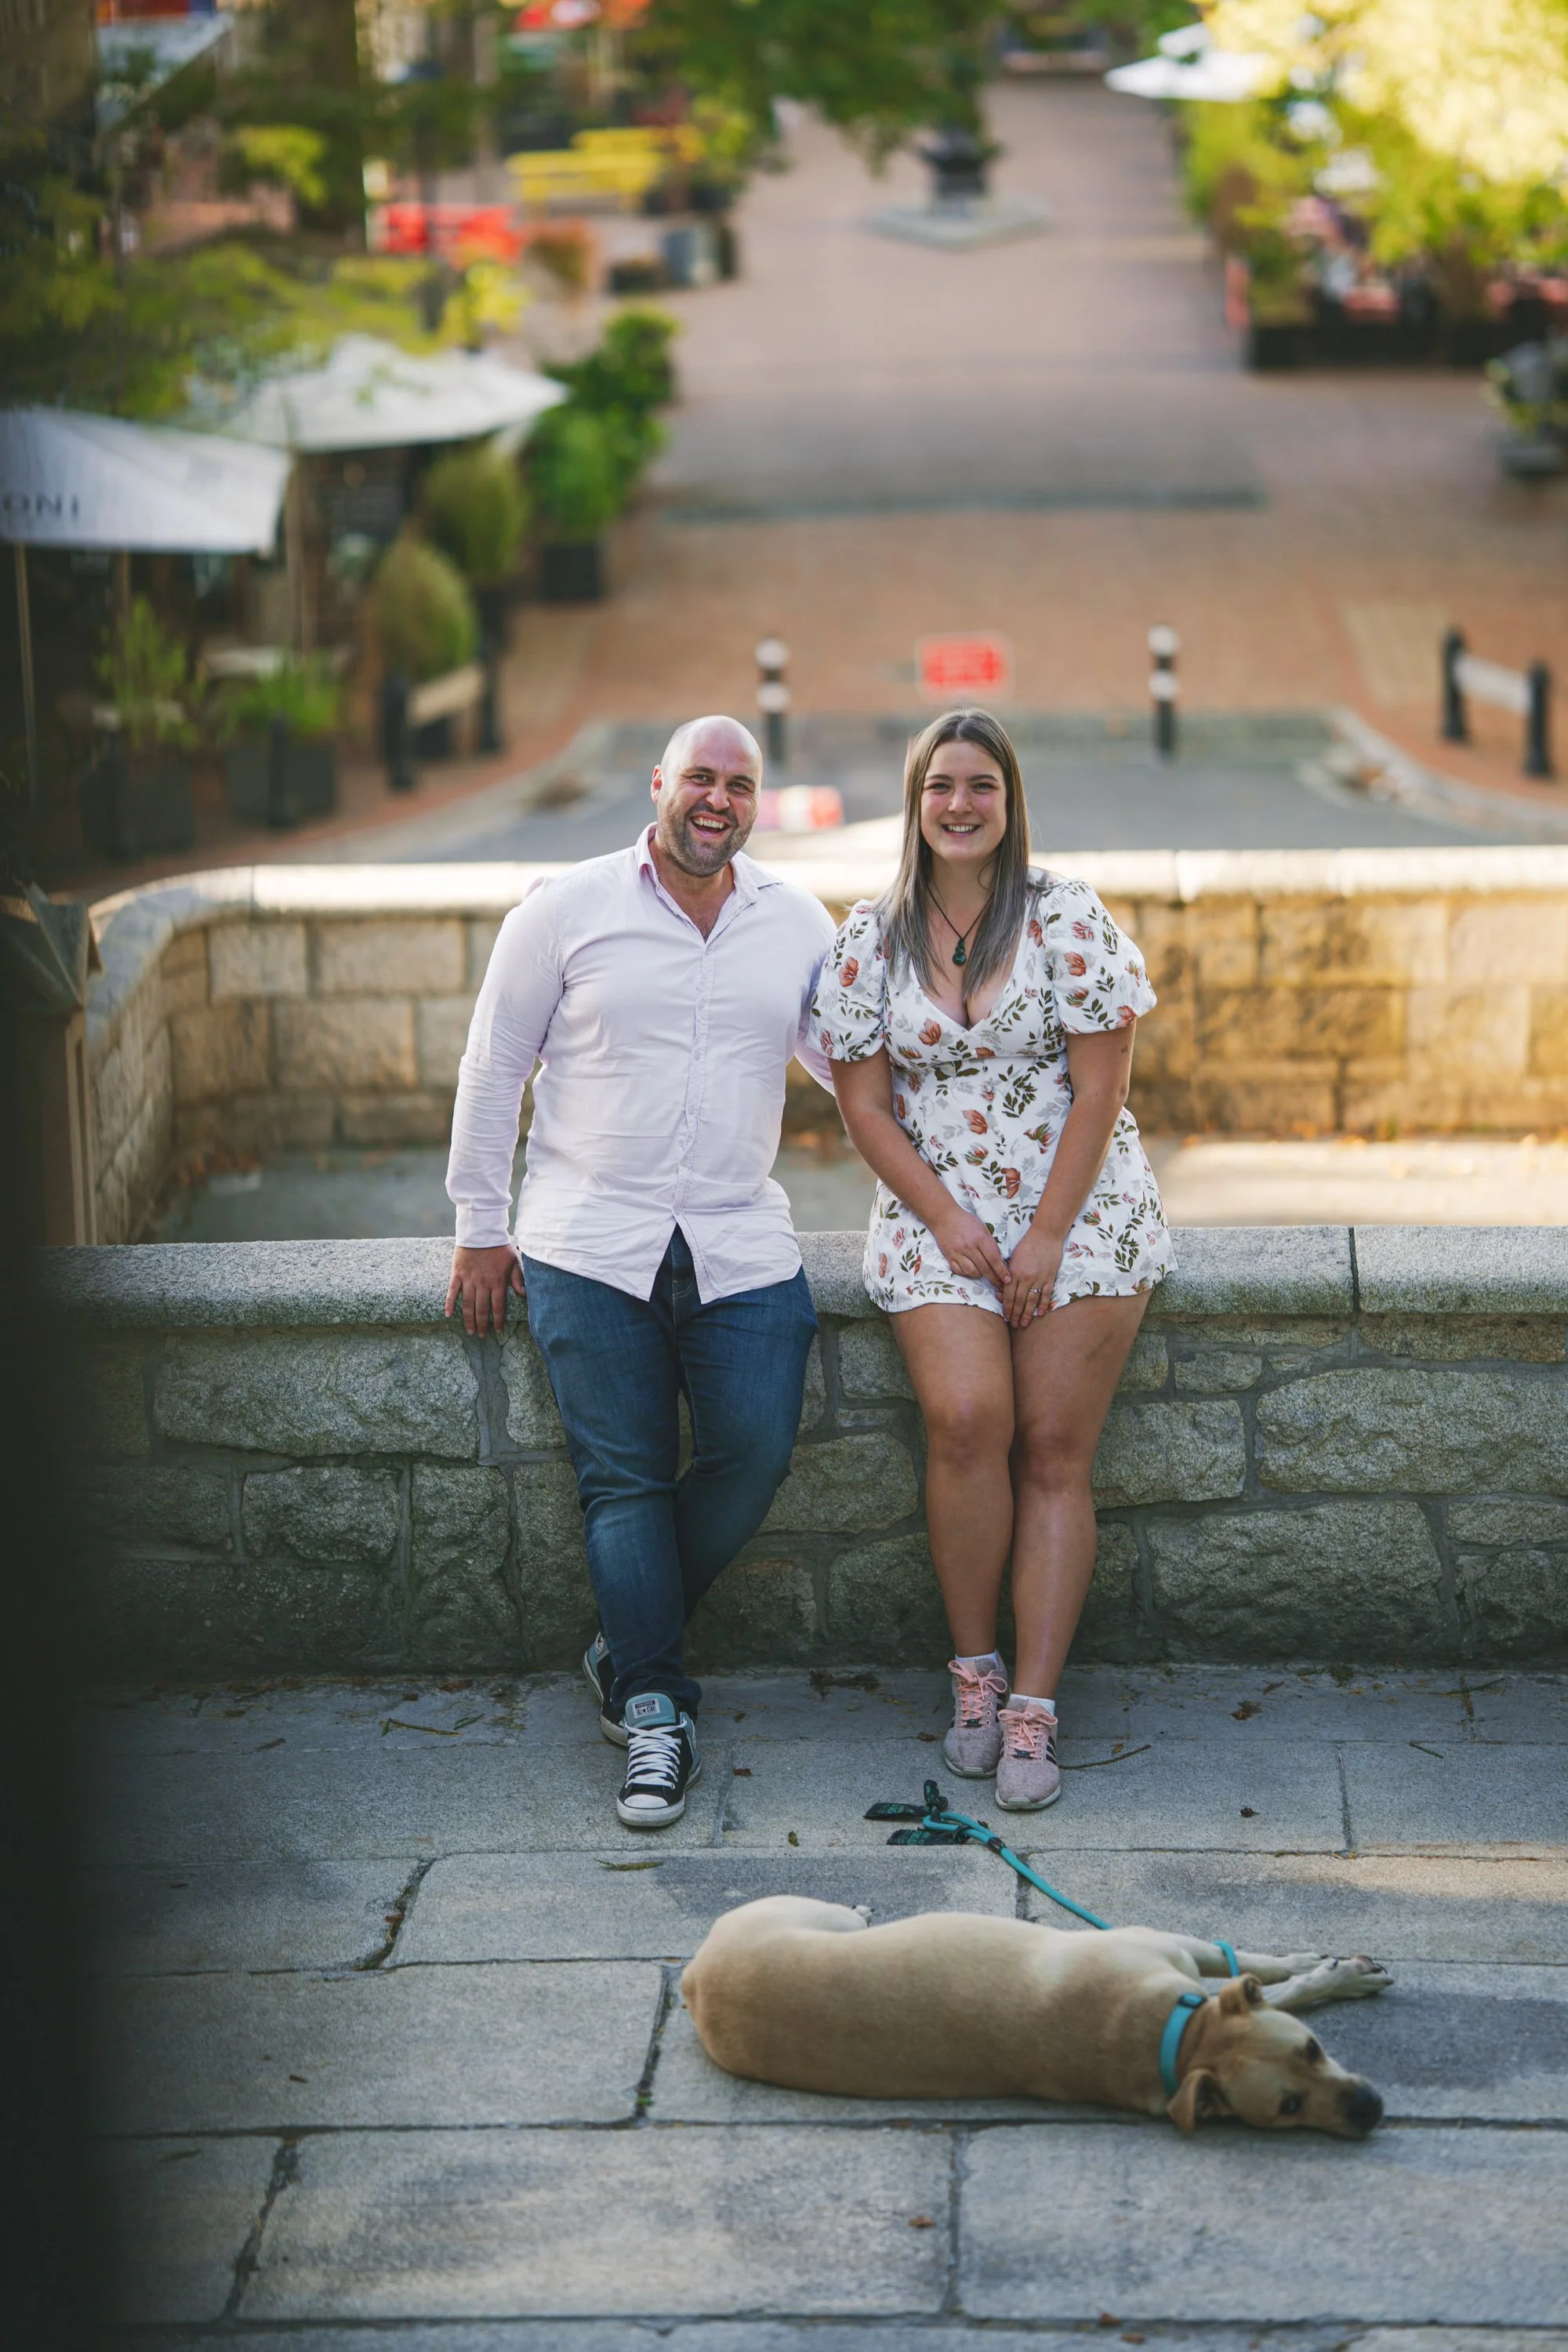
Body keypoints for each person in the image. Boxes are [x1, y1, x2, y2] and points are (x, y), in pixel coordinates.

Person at [444, 715, 836, 1831]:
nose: (718, 801)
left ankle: (625, 1638)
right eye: (700, 779)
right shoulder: (564, 910)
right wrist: (480, 1223)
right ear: (659, 785)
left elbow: (856, 1069)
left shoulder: (795, 921)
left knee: (753, 1453)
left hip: (737, 1237)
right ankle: (655, 1709)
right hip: (585, 1239)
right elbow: (494, 1065)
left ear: (757, 803)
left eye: (741, 785)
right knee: (620, 1479)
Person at [813, 707, 1172, 1813]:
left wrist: (1048, 1236)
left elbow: (1104, 1086)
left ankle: (1036, 1713)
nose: (960, 806)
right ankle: (975, 1678)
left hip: (1080, 1205)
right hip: (937, 1213)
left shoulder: (1066, 917)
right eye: (940, 787)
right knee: (968, 1422)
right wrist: (955, 1225)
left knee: (1056, 1450)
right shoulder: (867, 940)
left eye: (982, 786)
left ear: (1010, 802)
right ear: (914, 803)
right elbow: (865, 1109)